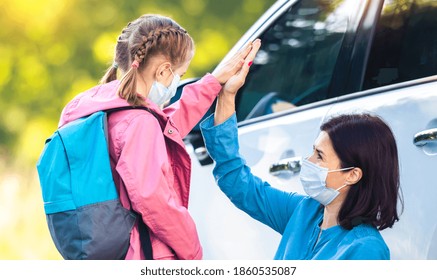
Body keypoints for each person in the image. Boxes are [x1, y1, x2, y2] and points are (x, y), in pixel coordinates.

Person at [57, 14, 260, 260]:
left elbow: (166, 127)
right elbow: (154, 202)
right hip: (144, 253)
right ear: (164, 71)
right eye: (181, 75)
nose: (178, 82)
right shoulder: (139, 122)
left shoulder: (92, 108)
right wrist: (193, 251)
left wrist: (213, 82)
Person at [200, 74, 403, 259]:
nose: (309, 161)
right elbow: (239, 184)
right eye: (313, 151)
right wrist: (227, 95)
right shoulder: (303, 211)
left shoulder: (366, 250)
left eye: (320, 156)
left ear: (352, 175)